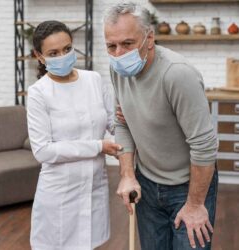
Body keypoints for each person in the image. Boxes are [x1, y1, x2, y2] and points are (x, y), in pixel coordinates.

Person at [103, 2, 218, 250]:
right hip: (147, 184)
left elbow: (205, 146)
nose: (118, 54)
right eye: (111, 46)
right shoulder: (118, 70)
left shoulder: (177, 74)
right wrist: (127, 174)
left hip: (189, 186)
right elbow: (122, 124)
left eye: (127, 43)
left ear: (149, 38)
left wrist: (196, 204)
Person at [27, 20, 122, 250]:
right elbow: (43, 151)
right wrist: (99, 146)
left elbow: (115, 124)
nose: (63, 56)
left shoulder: (94, 80)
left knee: (91, 243)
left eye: (67, 49)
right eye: (53, 53)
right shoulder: (39, 93)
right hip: (58, 193)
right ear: (40, 56)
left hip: (93, 188)